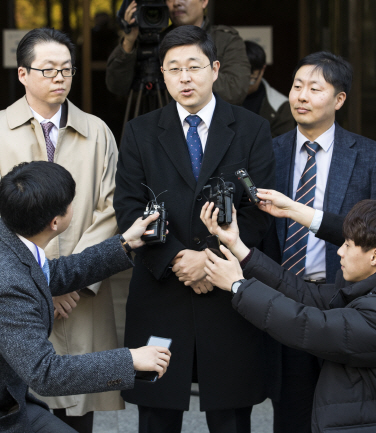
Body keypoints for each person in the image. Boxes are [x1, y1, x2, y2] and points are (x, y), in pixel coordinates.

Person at [0, 161, 172, 433]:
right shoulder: (6, 286)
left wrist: (124, 244)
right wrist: (130, 359)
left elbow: (49, 273)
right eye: (71, 201)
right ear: (56, 221)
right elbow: (46, 373)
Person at [113, 25, 275, 433]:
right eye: (174, 69)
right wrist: (177, 258)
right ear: (163, 75)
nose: (185, 78)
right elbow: (128, 208)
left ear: (215, 68)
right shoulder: (140, 131)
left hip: (228, 295)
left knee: (231, 418)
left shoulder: (252, 129)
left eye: (194, 66)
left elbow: (259, 210)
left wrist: (210, 263)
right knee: (156, 416)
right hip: (161, 291)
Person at [0, 28, 121, 431]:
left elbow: (110, 211)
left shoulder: (98, 131)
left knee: (79, 414)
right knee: (23, 406)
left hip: (82, 296)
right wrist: (43, 284)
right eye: (48, 69)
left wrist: (71, 280)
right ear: (23, 74)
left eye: (67, 70)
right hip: (20, 291)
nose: (60, 78)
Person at [200, 198, 376, 432]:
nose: (339, 252)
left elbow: (308, 325)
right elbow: (305, 294)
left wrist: (238, 286)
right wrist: (238, 247)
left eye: (348, 245)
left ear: (375, 256)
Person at [262, 51, 376, 433]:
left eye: (314, 88)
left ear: (339, 99)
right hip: (286, 298)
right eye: (297, 86)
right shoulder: (270, 152)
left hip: (343, 301)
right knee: (291, 413)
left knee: (345, 413)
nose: (300, 96)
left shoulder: (370, 156)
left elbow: (374, 234)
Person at [106, 0, 250, 106]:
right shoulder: (155, 41)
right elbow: (117, 86)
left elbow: (235, 90)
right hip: (161, 131)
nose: (176, 3)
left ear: (204, 1)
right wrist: (129, 41)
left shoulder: (226, 39)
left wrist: (183, 73)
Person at [242, 40, 294, 137]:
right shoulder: (218, 98)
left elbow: (282, 146)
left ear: (262, 70)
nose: (244, 83)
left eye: (251, 79)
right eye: (239, 76)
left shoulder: (281, 106)